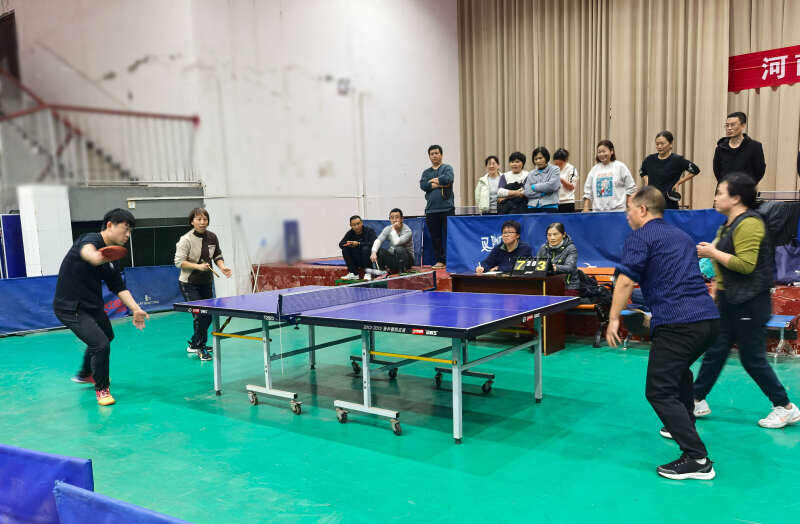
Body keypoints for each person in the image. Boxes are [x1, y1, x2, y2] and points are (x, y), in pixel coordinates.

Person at [607, 186, 720, 480]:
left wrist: (613, 318)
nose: (627, 215)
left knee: (658, 390)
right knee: (679, 372)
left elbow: (625, 282)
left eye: (629, 209)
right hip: (708, 320)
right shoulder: (681, 236)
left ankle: (697, 459)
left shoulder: (640, 237)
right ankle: (680, 424)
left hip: (678, 324)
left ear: (642, 210)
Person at [693, 173, 799, 428]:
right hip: (730, 300)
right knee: (716, 350)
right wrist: (716, 288)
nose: (716, 197)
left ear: (736, 198)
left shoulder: (750, 224)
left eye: (721, 192)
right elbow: (723, 264)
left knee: (752, 358)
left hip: (750, 301)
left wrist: (712, 252)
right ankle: (696, 399)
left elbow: (746, 264)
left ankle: (784, 407)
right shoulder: (728, 225)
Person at [53, 208, 150, 406]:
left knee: (108, 335)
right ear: (110, 225)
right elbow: (87, 251)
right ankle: (102, 389)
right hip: (71, 307)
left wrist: (135, 309)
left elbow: (119, 287)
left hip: (92, 306)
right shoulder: (90, 239)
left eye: (130, 231)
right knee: (100, 344)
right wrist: (96, 257)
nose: (128, 235)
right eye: (125, 229)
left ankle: (85, 373)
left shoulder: (113, 258)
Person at [175, 207, 232, 361]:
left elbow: (217, 255)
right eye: (199, 219)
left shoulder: (212, 237)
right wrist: (198, 267)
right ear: (192, 222)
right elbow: (179, 262)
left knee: (208, 316)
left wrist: (222, 267)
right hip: (189, 284)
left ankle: (195, 343)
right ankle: (200, 347)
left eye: (205, 219)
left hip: (206, 283)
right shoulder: (186, 240)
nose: (202, 222)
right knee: (200, 315)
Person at [640, 131, 701, 209]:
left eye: (662, 144)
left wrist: (679, 182)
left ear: (671, 144)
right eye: (657, 144)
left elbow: (695, 170)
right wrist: (648, 182)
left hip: (669, 203)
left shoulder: (677, 160)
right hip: (651, 202)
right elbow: (642, 172)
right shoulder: (649, 159)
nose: (659, 146)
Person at [419, 144, 454, 268]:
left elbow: (448, 179)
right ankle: (441, 260)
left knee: (450, 236)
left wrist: (433, 180)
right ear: (429, 156)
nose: (434, 156)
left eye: (436, 153)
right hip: (431, 210)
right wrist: (440, 183)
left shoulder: (447, 168)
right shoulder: (426, 172)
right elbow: (423, 185)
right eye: (432, 154)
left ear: (441, 155)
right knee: (436, 238)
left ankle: (452, 259)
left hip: (447, 208)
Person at [583, 140, 637, 212]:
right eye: (599, 152)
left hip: (617, 211)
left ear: (611, 151)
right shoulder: (594, 169)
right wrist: (586, 207)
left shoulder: (620, 167)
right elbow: (587, 190)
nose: (601, 154)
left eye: (604, 151)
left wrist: (629, 205)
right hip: (598, 212)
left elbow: (631, 188)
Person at [712, 112, 766, 184]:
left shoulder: (755, 146)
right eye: (727, 125)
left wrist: (748, 185)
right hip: (724, 188)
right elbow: (717, 171)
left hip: (746, 188)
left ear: (743, 126)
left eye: (733, 125)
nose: (729, 128)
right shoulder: (720, 147)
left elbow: (759, 171)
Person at [535, 222, 579, 291]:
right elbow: (536, 264)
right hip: (547, 285)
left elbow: (570, 267)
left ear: (563, 235)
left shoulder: (570, 248)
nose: (552, 238)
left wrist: (553, 267)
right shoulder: (543, 248)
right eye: (549, 235)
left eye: (555, 234)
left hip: (568, 286)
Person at [371, 208, 414, 274]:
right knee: (380, 251)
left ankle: (402, 272)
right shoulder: (388, 228)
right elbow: (379, 240)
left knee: (399, 248)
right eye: (392, 218)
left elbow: (397, 242)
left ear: (402, 219)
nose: (394, 220)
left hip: (407, 260)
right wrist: (373, 252)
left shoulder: (407, 231)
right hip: (394, 258)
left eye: (397, 217)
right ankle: (382, 273)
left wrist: (393, 229)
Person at [338, 215, 377, 280]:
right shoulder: (350, 233)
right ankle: (353, 273)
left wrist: (358, 244)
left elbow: (374, 243)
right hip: (357, 259)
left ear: (362, 223)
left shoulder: (369, 231)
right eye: (354, 225)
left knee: (366, 249)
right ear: (351, 225)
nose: (356, 226)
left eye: (358, 224)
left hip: (369, 259)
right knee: (345, 249)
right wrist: (349, 244)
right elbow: (341, 244)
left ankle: (368, 273)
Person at [522, 146, 560, 213]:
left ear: (546, 157)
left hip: (550, 206)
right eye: (535, 159)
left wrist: (534, 187)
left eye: (540, 158)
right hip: (532, 206)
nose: (538, 161)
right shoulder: (531, 173)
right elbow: (527, 192)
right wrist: (543, 193)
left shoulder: (555, 169)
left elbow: (552, 186)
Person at [553, 148, 578, 213]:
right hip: (555, 203)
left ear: (566, 160)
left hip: (567, 202)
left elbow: (571, 187)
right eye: (556, 164)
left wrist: (561, 180)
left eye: (560, 164)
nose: (558, 166)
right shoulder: (553, 169)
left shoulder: (571, 169)